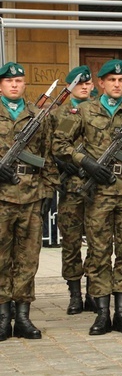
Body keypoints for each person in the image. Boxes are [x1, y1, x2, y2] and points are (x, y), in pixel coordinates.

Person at [54, 59, 122, 335]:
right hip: (97, 193)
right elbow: (59, 144)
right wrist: (85, 162)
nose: (117, 84)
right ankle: (101, 314)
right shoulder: (83, 111)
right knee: (99, 253)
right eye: (112, 80)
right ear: (101, 83)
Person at [0, 62, 57, 340]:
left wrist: (47, 192)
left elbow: (50, 157)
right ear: (1, 85)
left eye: (20, 81)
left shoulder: (39, 116)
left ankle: (23, 316)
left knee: (28, 259)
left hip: (32, 196)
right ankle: (2, 316)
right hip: (0, 197)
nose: (14, 85)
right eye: (10, 81)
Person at [51, 65, 95, 315]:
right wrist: (66, 167)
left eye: (88, 84)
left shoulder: (98, 111)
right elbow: (52, 149)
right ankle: (75, 293)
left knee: (97, 243)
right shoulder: (59, 114)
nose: (86, 87)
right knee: (71, 243)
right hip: (70, 189)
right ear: (70, 87)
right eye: (80, 84)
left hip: (95, 188)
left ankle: (93, 292)